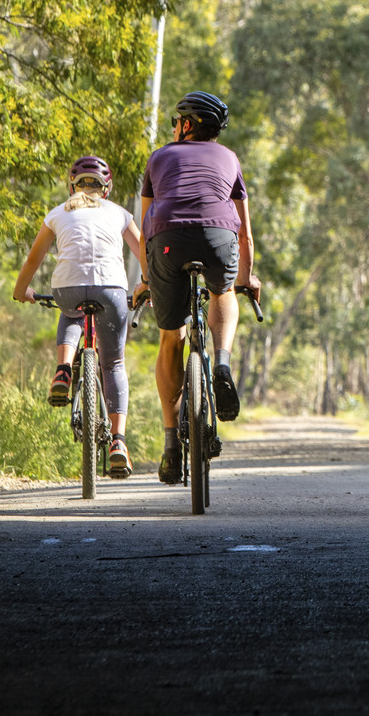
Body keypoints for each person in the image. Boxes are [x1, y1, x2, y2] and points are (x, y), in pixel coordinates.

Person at [134, 91, 259, 486]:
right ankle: (221, 362)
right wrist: (246, 279)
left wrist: (146, 279)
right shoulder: (230, 159)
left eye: (176, 121)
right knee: (222, 293)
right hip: (218, 235)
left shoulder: (159, 157)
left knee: (171, 337)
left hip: (167, 240)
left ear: (186, 126)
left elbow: (145, 229)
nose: (173, 128)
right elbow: (247, 235)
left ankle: (171, 445)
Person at [10, 156, 146, 479]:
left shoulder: (58, 213)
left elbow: (34, 257)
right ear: (106, 188)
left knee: (70, 311)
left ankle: (62, 372)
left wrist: (21, 290)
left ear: (72, 186)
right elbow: (144, 254)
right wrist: (147, 286)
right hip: (112, 290)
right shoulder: (119, 214)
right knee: (112, 364)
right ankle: (118, 442)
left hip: (68, 289)